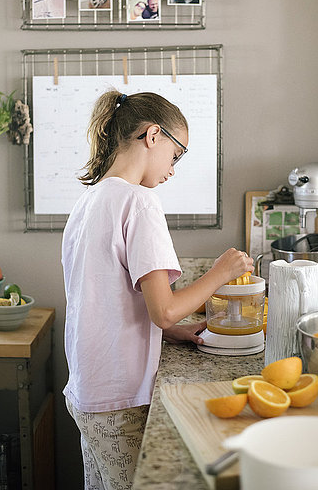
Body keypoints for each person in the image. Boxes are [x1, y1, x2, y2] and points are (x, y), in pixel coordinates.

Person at [62, 90, 254, 488]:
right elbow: (163, 309)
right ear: (153, 136)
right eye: (176, 153)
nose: (173, 169)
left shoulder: (89, 200)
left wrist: (172, 332)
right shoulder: (140, 203)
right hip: (120, 397)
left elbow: (105, 298)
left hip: (87, 389)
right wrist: (221, 271)